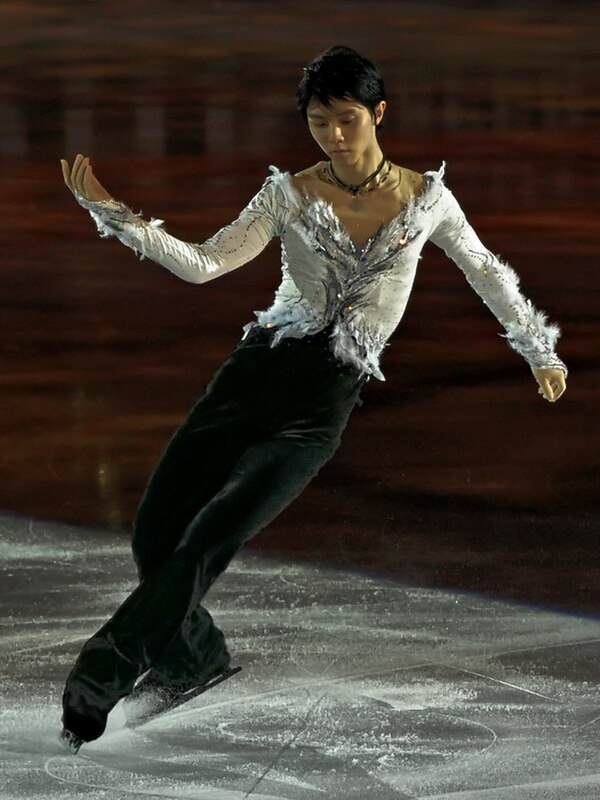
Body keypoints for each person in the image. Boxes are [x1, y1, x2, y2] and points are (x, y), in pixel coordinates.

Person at [58, 45, 568, 751]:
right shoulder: (289, 193)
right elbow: (206, 265)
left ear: (379, 114)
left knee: (212, 536)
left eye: (348, 120)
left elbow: (485, 271)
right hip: (251, 377)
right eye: (320, 122)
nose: (334, 136)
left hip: (320, 403)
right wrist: (116, 217)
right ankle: (195, 658)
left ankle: (101, 676)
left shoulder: (426, 199)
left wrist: (537, 349)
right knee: (156, 534)